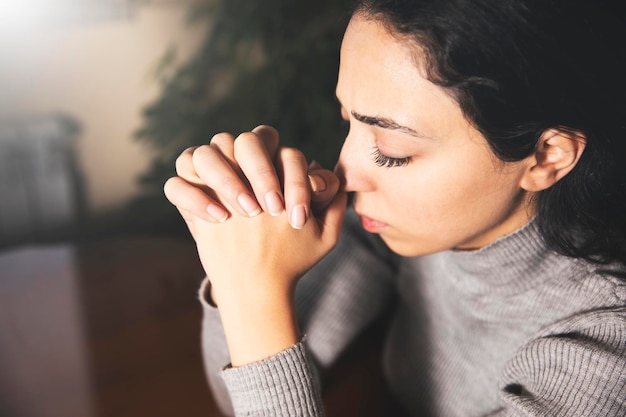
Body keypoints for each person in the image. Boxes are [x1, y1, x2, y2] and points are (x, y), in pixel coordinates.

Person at [163, 0, 626, 415]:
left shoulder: (605, 353)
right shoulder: (396, 232)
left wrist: (253, 295)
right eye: (348, 122)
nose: (344, 175)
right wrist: (239, 262)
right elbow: (240, 395)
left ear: (547, 155)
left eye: (391, 150)